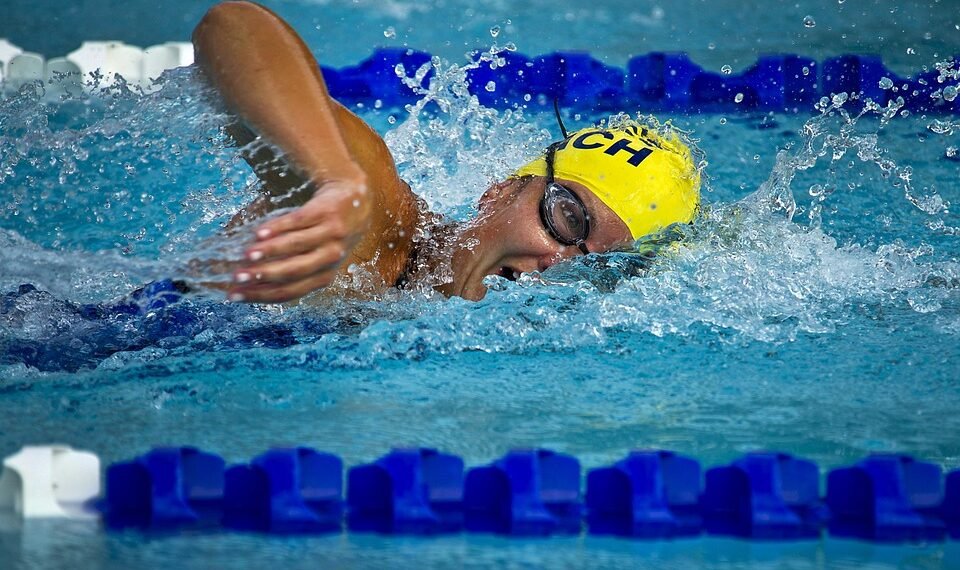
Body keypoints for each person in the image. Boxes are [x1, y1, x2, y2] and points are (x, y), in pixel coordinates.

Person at [191, 1, 701, 303]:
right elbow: (233, 27)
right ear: (500, 191)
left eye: (598, 266)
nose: (558, 263)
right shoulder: (373, 224)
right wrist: (333, 179)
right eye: (568, 219)